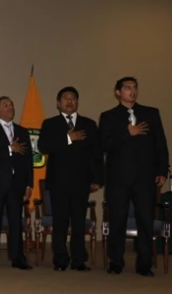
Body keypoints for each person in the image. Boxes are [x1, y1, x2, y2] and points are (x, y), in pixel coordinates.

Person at [99, 77, 168, 277]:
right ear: (117, 92)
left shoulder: (151, 113)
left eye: (134, 87)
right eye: (127, 88)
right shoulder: (109, 117)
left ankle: (144, 264)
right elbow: (104, 145)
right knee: (117, 220)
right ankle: (116, 262)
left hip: (145, 178)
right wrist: (127, 133)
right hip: (118, 178)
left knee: (145, 220)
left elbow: (160, 144)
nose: (132, 91)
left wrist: (162, 170)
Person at [38, 86, 103, 272]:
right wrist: (67, 138)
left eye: (73, 98)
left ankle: (78, 260)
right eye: (65, 98)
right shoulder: (50, 124)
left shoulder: (89, 124)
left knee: (78, 221)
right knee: (60, 222)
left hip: (82, 181)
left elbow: (96, 154)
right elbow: (43, 147)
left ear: (77, 102)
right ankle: (60, 259)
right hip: (58, 181)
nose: (69, 101)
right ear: (59, 104)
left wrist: (97, 178)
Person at [0, 96, 34, 270]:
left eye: (11, 104)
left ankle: (18, 258)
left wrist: (28, 184)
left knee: (16, 221)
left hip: (17, 184)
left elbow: (28, 160)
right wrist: (10, 149)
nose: (10, 107)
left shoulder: (22, 131)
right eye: (5, 105)